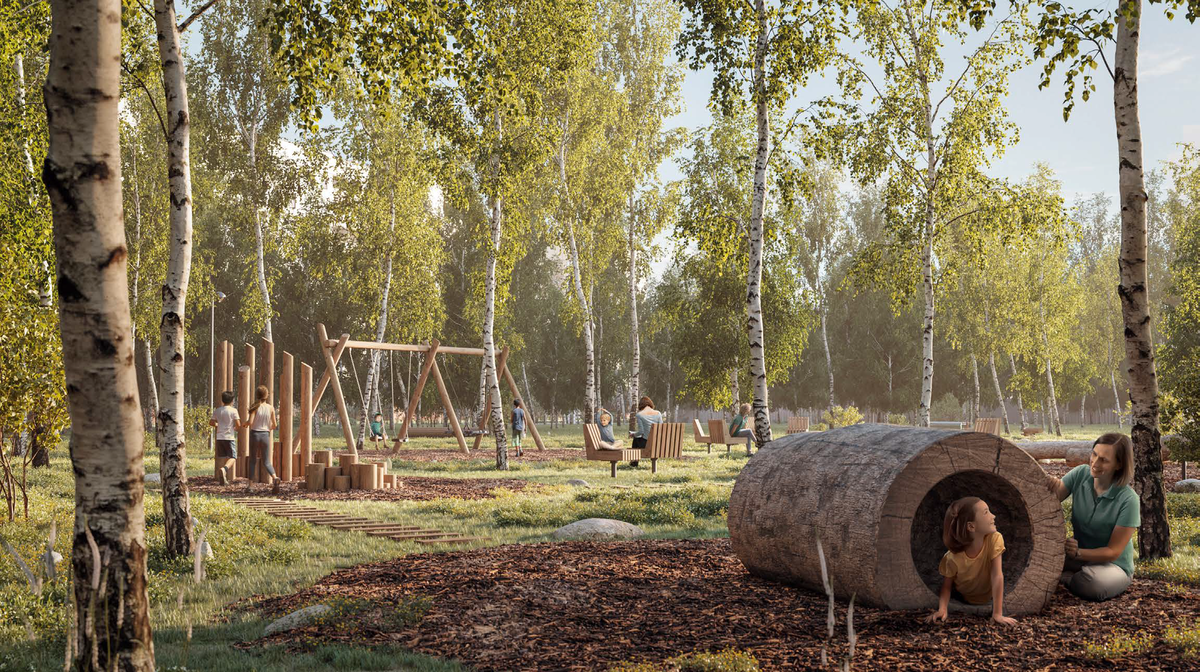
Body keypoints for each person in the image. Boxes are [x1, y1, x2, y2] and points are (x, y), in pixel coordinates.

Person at [1045, 432, 1140, 602]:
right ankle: (1070, 574)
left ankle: (1065, 578)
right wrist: (1049, 483)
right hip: (1078, 558)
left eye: (1104, 460)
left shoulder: (1129, 499)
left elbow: (1113, 552)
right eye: (1094, 454)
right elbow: (1052, 499)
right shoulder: (1080, 474)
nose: (1095, 463)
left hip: (1113, 566)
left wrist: (1078, 553)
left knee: (1093, 585)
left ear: (1119, 465)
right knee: (1041, 559)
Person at [925, 497, 1016, 626]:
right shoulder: (952, 558)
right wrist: (942, 609)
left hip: (989, 596)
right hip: (965, 598)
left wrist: (997, 614)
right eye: (986, 512)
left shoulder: (995, 539)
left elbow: (997, 575)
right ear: (971, 526)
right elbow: (946, 586)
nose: (993, 516)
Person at [239, 385, 278, 487]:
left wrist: (245, 424)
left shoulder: (255, 407)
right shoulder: (271, 408)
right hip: (265, 435)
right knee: (266, 461)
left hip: (255, 434)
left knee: (252, 461)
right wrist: (267, 428)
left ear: (257, 395)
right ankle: (275, 478)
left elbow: (251, 422)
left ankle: (250, 485)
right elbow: (274, 425)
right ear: (267, 395)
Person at [208, 390, 240, 485]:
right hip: (229, 437)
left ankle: (223, 478)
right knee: (233, 457)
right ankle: (224, 469)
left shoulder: (218, 410)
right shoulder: (233, 410)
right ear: (232, 401)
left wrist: (218, 424)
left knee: (222, 457)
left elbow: (211, 422)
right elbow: (238, 424)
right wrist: (234, 428)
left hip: (219, 437)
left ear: (222, 400)